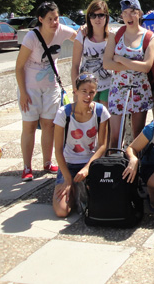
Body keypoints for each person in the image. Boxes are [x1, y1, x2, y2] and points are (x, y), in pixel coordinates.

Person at [15, 1, 77, 181]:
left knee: (49, 125)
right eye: (49, 19)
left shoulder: (62, 31)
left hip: (51, 88)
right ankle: (27, 166)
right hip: (30, 88)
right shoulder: (31, 38)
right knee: (30, 126)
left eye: (56, 18)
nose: (54, 22)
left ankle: (47, 162)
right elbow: (19, 67)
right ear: (40, 19)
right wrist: (23, 92)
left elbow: (80, 37)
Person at [52, 72, 110, 217]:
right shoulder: (63, 114)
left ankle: (81, 189)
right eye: (84, 92)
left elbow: (102, 145)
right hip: (68, 164)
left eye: (92, 92)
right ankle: (75, 189)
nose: (88, 96)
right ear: (76, 91)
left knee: (100, 205)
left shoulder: (100, 111)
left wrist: (87, 168)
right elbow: (58, 150)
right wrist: (67, 178)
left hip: (90, 163)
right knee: (61, 211)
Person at [103, 0, 154, 145]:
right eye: (125, 13)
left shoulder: (149, 37)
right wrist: (134, 65)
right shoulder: (116, 34)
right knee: (115, 135)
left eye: (132, 12)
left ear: (139, 13)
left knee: (137, 135)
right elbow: (107, 63)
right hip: (118, 89)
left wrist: (120, 59)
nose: (128, 16)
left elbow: (146, 66)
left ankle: (135, 164)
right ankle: (114, 165)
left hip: (140, 89)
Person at [71, 0, 112, 107]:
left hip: (108, 85)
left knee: (105, 120)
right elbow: (75, 65)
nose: (97, 19)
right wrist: (75, 89)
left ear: (106, 17)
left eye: (100, 15)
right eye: (93, 15)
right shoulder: (82, 35)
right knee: (89, 119)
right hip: (86, 87)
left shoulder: (112, 36)